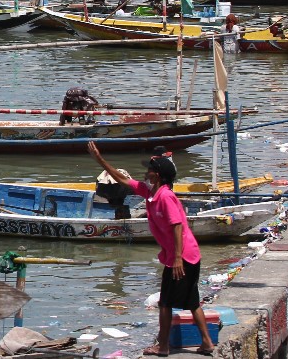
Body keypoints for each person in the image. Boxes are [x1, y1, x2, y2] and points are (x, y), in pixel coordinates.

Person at [87, 142, 216, 357]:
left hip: (181, 256)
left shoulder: (165, 196)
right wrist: (99, 159)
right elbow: (121, 178)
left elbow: (177, 226)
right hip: (186, 254)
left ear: (156, 175)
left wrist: (176, 259)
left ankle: (163, 346)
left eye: (149, 170)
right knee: (192, 302)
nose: (145, 172)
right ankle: (206, 343)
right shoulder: (148, 192)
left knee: (165, 303)